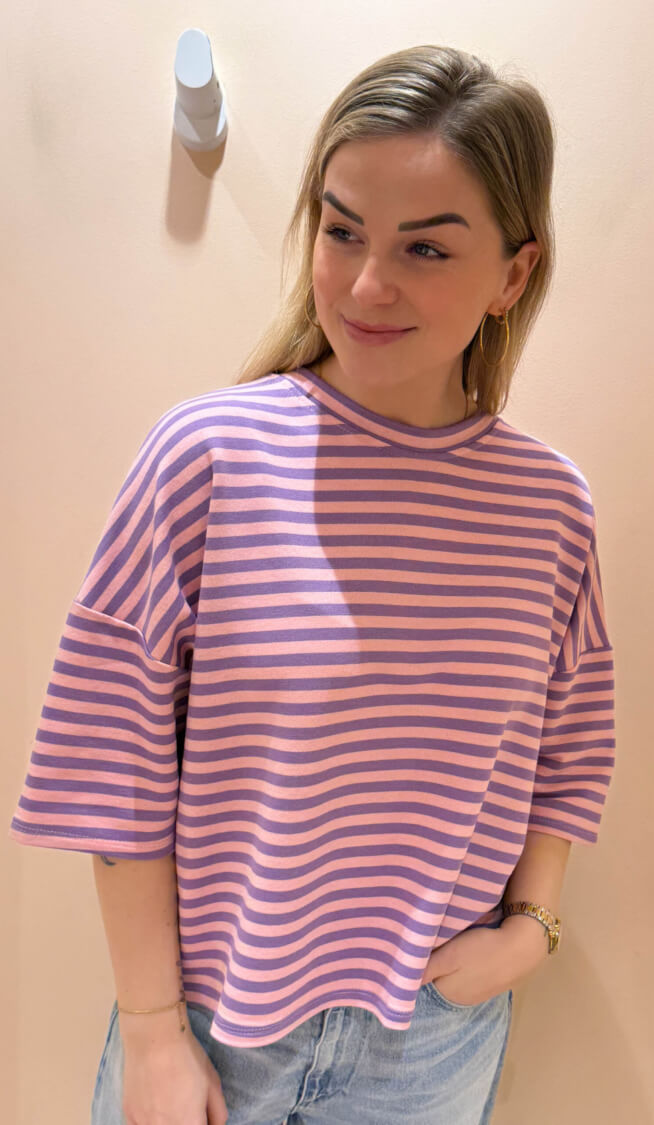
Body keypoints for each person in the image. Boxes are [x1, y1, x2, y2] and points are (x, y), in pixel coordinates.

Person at [9, 43, 616, 1125]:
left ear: (511, 275)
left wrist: (531, 926)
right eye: (341, 231)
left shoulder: (548, 509)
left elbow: (567, 747)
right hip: (210, 1028)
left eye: (425, 248)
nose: (367, 285)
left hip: (432, 1044)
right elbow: (113, 757)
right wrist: (150, 1029)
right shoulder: (207, 458)